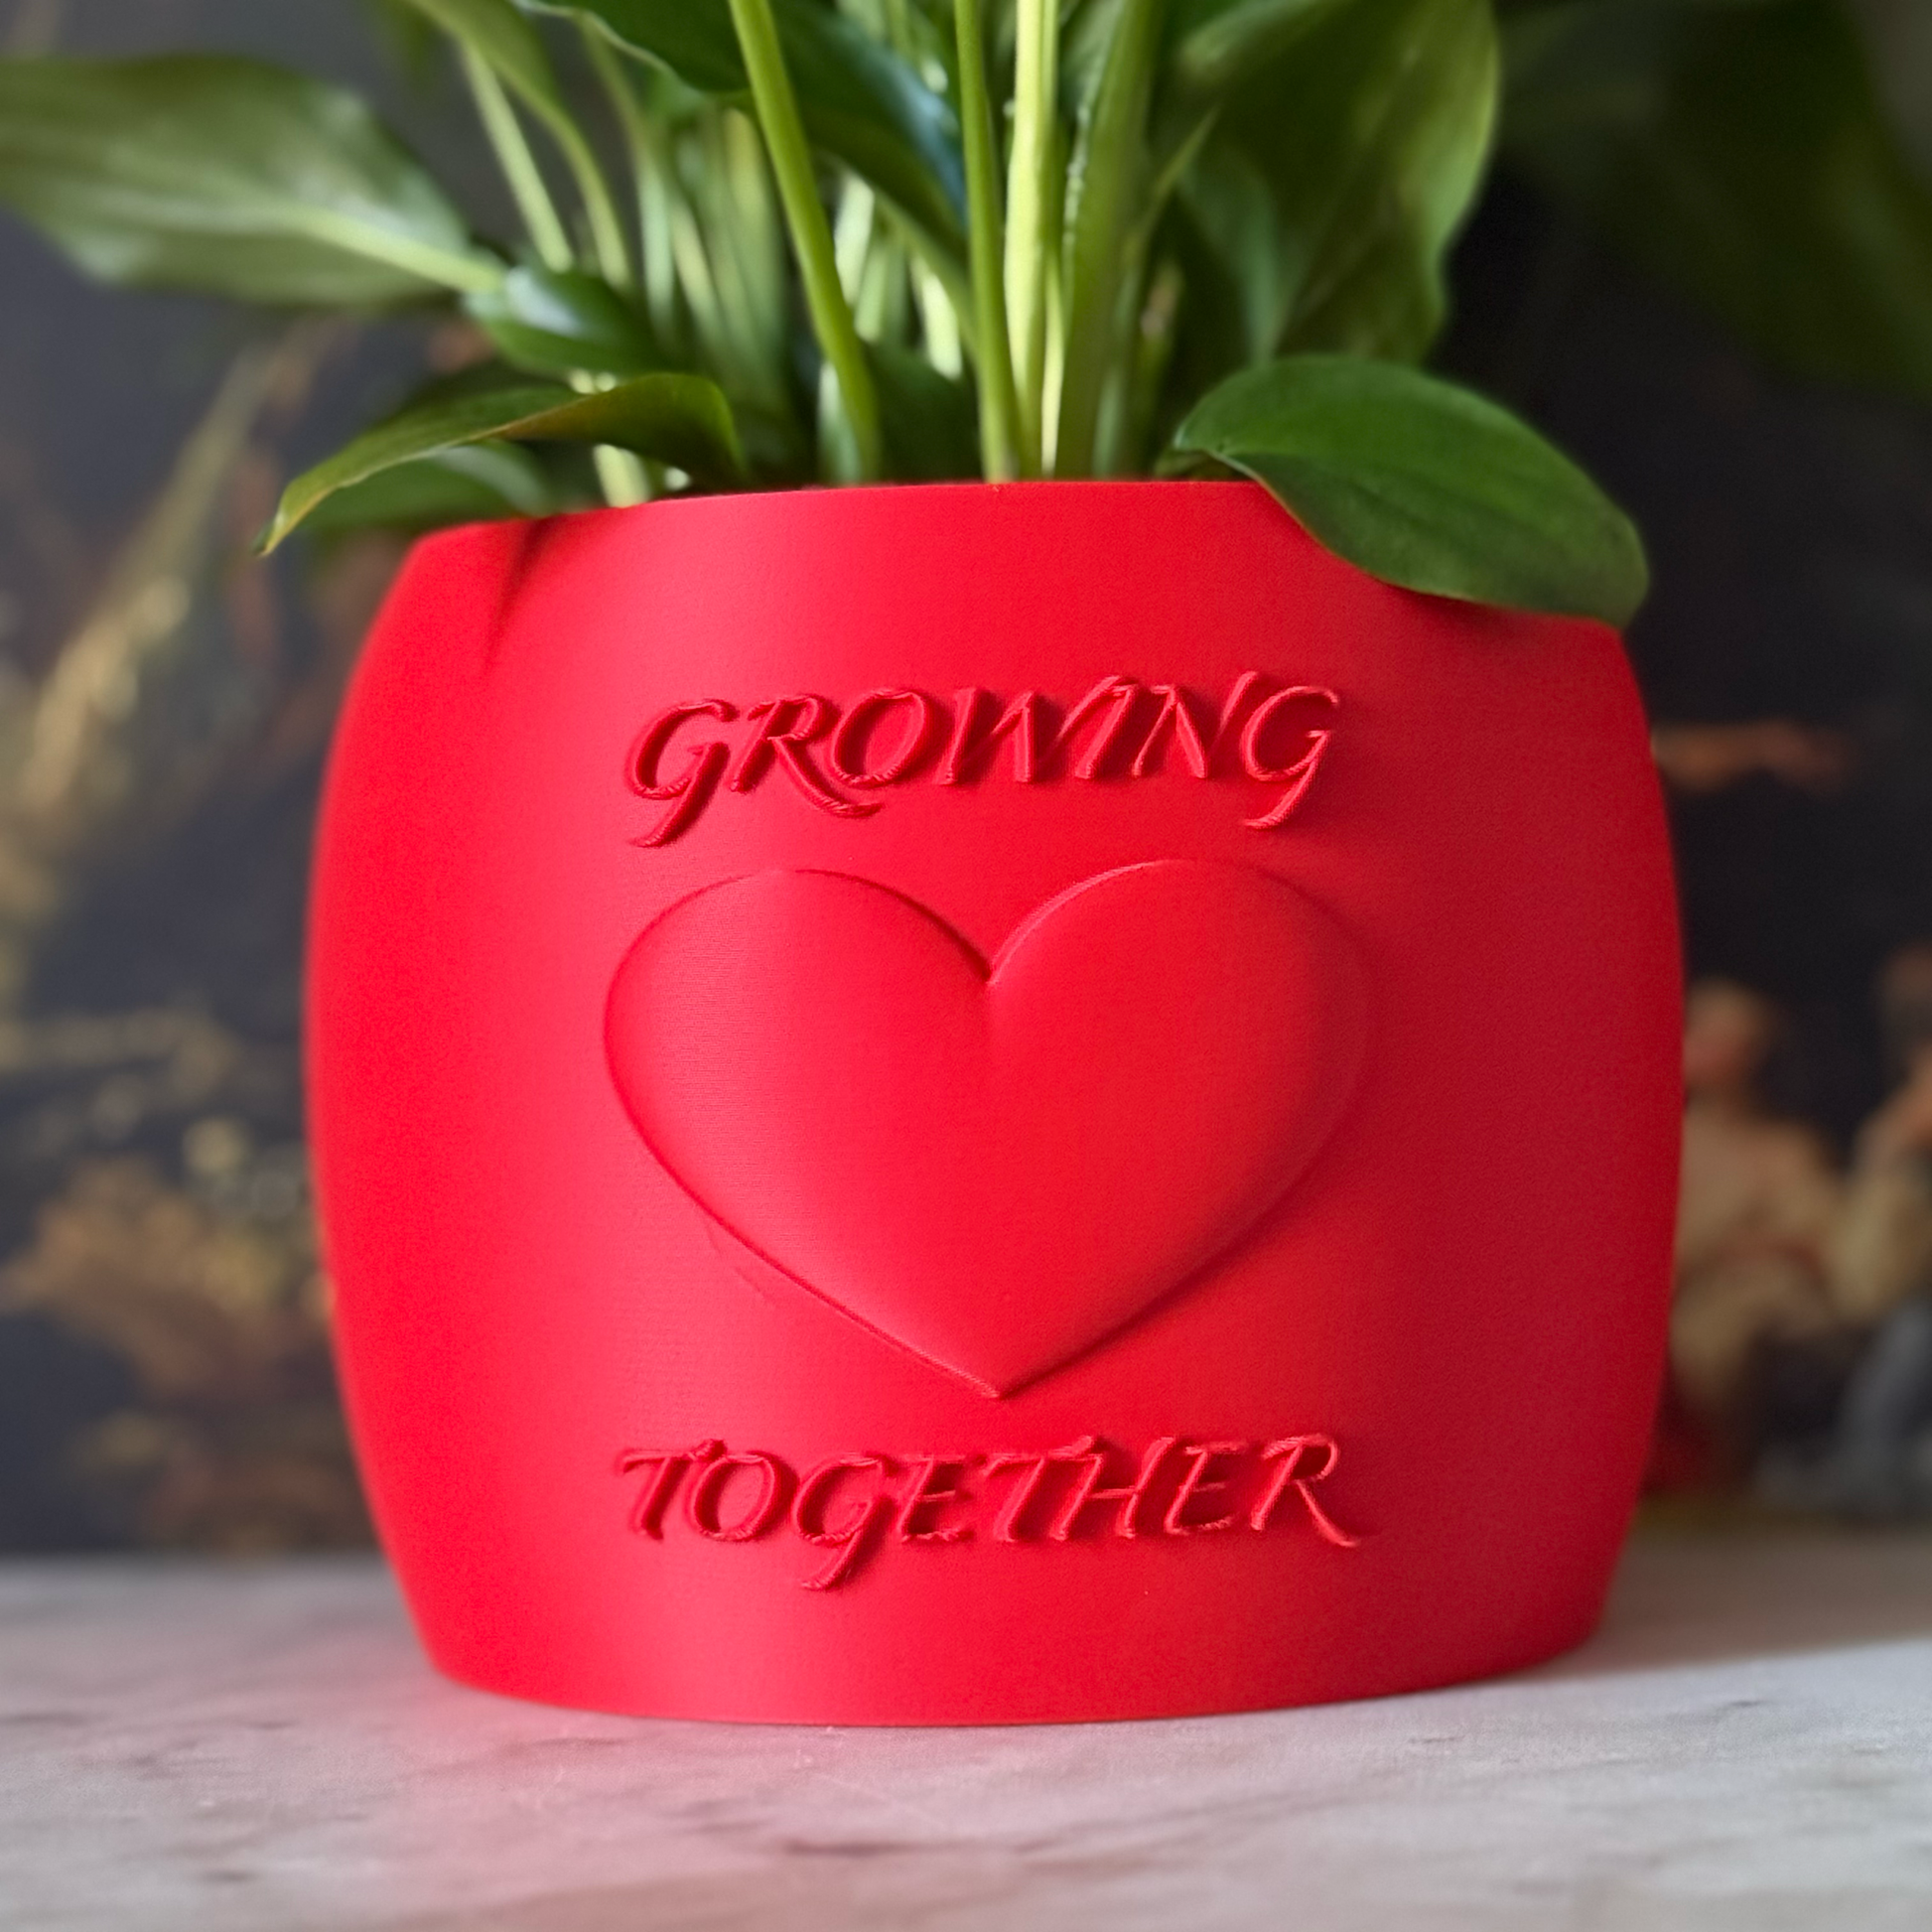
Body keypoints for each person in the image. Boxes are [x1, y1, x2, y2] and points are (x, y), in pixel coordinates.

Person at [1668, 979, 1844, 1476]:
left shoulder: (1788, 1147)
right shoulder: (1663, 1145)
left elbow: (1817, 1240)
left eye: (1741, 1042)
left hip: (1778, 1310)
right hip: (1688, 1307)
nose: (1725, 1053)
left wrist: (1751, 1247)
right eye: (1709, 1036)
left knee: (1776, 1309)